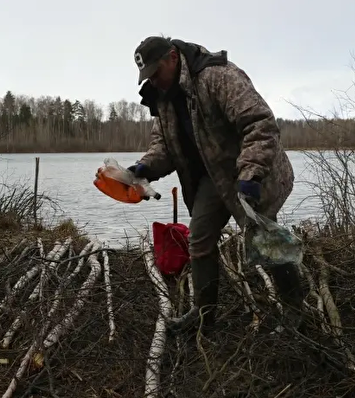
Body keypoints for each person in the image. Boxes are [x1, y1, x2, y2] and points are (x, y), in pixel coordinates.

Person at [129, 35, 300, 335]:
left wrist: (251, 173)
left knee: (266, 237)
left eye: (156, 72)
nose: (153, 81)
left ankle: (297, 312)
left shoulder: (218, 76)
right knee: (199, 238)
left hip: (250, 169)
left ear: (172, 57)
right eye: (148, 77)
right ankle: (204, 315)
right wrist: (144, 168)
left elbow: (260, 124)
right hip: (213, 175)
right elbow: (164, 146)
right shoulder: (164, 96)